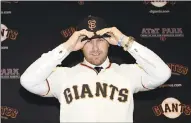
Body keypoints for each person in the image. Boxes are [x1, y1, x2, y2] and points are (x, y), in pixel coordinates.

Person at [20, 15, 171, 122]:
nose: (95, 48)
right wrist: (66, 47)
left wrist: (125, 41)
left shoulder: (128, 73)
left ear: (110, 42)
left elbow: (162, 73)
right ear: (78, 44)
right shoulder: (63, 75)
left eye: (100, 40)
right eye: (88, 42)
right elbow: (28, 81)